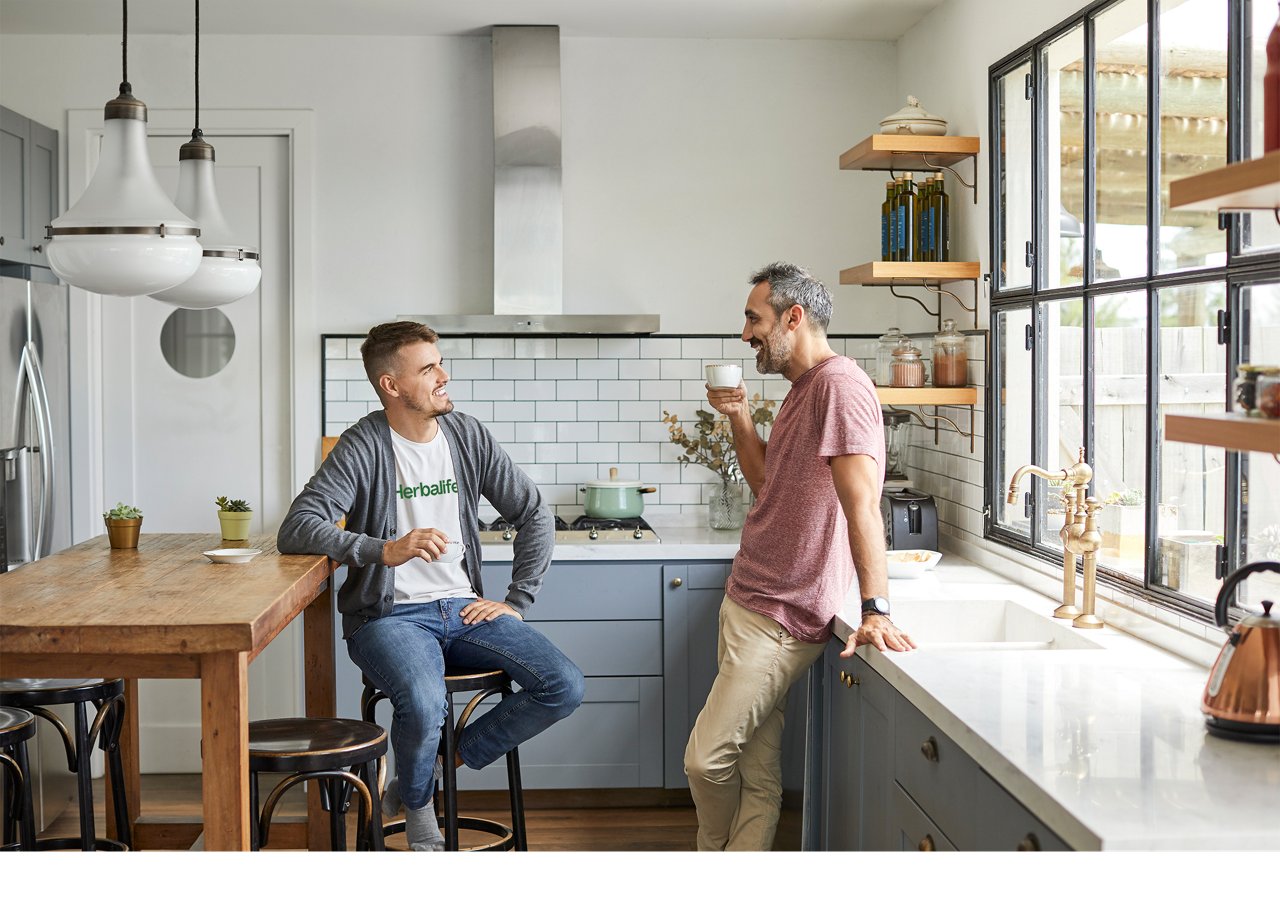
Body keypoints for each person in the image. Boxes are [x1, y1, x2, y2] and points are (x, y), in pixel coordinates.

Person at [278, 321, 584, 851]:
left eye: (440, 362)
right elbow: (297, 527)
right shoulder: (363, 445)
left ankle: (433, 768)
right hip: (388, 619)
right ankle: (421, 816)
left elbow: (535, 513)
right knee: (422, 701)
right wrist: (382, 549)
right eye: (428, 368)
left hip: (464, 609)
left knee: (563, 684)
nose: (444, 375)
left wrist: (516, 600)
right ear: (391, 386)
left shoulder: (466, 434)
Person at [684, 262, 917, 852]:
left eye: (753, 319)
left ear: (794, 317)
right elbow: (768, 486)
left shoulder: (841, 386)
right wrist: (737, 416)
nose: (745, 335)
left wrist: (877, 608)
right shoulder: (803, 390)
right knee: (759, 778)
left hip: (782, 618)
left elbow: (863, 504)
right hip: (751, 600)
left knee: (705, 760)